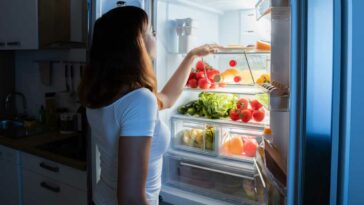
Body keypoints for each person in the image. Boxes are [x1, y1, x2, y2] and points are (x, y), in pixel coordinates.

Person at [78, 6, 219, 205]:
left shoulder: (99, 91)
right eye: (151, 32)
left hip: (101, 198)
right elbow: (130, 198)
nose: (155, 37)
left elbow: (167, 99)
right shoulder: (139, 99)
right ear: (136, 44)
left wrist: (191, 56)